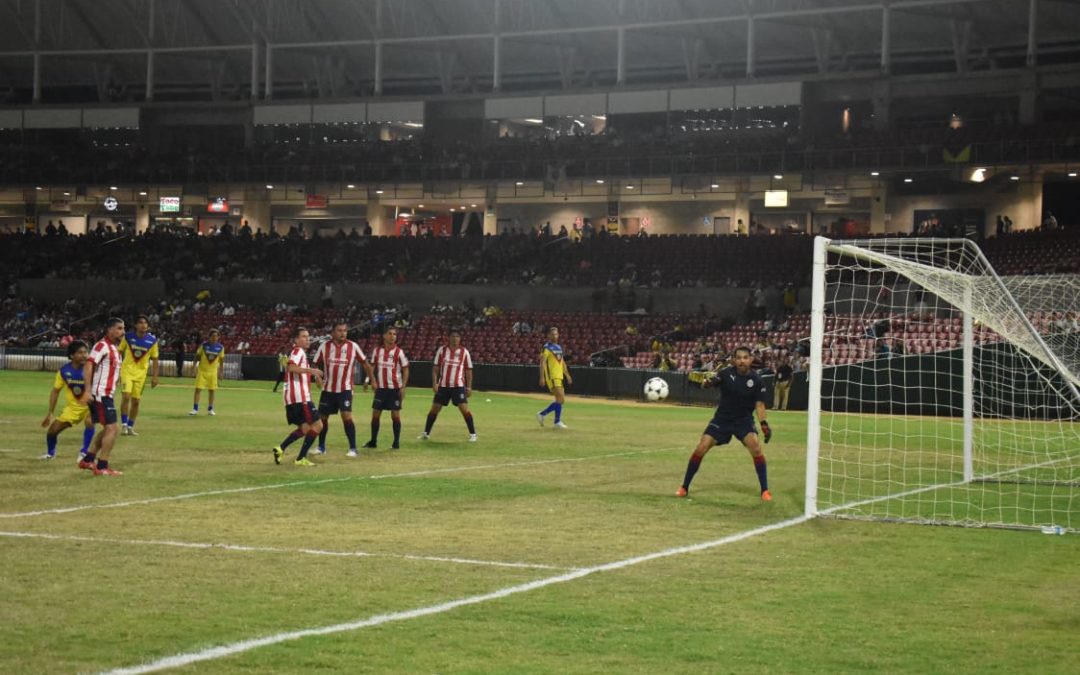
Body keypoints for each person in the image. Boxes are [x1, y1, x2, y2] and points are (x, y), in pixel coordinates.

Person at [678, 346, 773, 501]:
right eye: (739, 358)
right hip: (722, 419)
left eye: (745, 357)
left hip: (743, 420)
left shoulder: (757, 380)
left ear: (750, 359)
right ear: (734, 360)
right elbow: (705, 385)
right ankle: (684, 487)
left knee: (756, 448)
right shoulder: (725, 373)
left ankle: (765, 490)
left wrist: (764, 424)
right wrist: (708, 383)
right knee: (701, 447)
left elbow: (760, 405)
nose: (742, 361)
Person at [79, 317, 126, 476]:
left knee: (109, 428)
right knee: (112, 428)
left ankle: (88, 459)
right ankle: (102, 466)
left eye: (123, 328)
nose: (122, 332)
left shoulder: (115, 350)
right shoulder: (102, 346)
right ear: (110, 330)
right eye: (119, 328)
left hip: (106, 394)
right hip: (100, 394)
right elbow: (89, 364)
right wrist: (87, 390)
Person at [312, 322, 367, 457]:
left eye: (345, 331)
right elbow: (314, 363)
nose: (343, 333)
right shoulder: (325, 346)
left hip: (345, 389)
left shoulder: (353, 346)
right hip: (328, 389)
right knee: (322, 418)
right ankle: (321, 447)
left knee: (346, 416)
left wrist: (369, 380)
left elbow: (365, 362)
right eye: (339, 330)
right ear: (333, 332)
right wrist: (316, 376)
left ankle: (353, 448)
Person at [272, 327, 325, 467]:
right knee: (318, 425)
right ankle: (300, 458)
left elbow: (296, 371)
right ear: (296, 339)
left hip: (293, 397)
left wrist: (314, 376)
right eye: (303, 336)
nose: (307, 339)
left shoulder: (299, 353)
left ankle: (280, 448)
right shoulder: (298, 351)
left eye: (308, 336)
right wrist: (312, 370)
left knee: (306, 428)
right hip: (300, 398)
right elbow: (291, 368)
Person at [40, 340, 95, 460]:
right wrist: (50, 413)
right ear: (71, 355)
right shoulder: (64, 371)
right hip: (73, 408)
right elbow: (55, 391)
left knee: (90, 421)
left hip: (91, 404)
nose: (84, 355)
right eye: (80, 352)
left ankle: (84, 452)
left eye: (86, 352)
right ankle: (50, 454)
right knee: (52, 432)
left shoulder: (93, 368)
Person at [419, 329, 476, 442]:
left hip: (458, 386)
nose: (455, 338)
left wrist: (469, 387)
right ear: (448, 338)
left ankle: (473, 434)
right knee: (434, 409)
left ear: (460, 339)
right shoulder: (442, 351)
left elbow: (468, 371)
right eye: (453, 336)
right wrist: (434, 383)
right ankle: (426, 433)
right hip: (443, 386)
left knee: (464, 409)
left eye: (457, 336)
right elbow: (435, 368)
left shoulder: (464, 352)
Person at [364, 326, 409, 450]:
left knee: (395, 415)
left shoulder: (399, 352)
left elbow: (406, 369)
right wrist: (368, 380)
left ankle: (396, 442)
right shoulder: (377, 351)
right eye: (390, 333)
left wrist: (403, 386)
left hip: (394, 389)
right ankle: (373, 441)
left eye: (394, 334)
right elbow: (372, 366)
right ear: (384, 336)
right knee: (375, 415)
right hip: (381, 389)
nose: (393, 336)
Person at [118, 315, 160, 436]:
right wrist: (116, 369)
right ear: (136, 325)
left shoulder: (152, 341)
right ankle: (124, 425)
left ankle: (131, 426)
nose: (143, 325)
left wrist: (155, 377)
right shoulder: (128, 337)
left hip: (141, 374)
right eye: (140, 322)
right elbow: (119, 352)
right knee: (126, 396)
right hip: (127, 371)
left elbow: (155, 359)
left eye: (145, 323)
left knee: (136, 401)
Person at [537, 326, 572, 429]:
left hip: (559, 376)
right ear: (548, 336)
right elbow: (542, 363)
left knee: (561, 400)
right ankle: (556, 422)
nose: (554, 336)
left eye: (556, 334)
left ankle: (543, 414)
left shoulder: (559, 347)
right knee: (560, 398)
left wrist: (567, 375)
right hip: (552, 376)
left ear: (558, 335)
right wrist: (542, 377)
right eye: (552, 334)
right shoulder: (546, 347)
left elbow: (562, 363)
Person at [189, 328, 224, 416]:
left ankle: (210, 408)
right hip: (202, 371)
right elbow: (197, 357)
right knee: (198, 389)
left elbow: (221, 360)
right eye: (212, 336)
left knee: (212, 390)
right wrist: (193, 367)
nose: (214, 338)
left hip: (213, 372)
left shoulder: (220, 347)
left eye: (216, 336)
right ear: (209, 337)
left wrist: (221, 372)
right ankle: (195, 408)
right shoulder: (204, 346)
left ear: (218, 337)